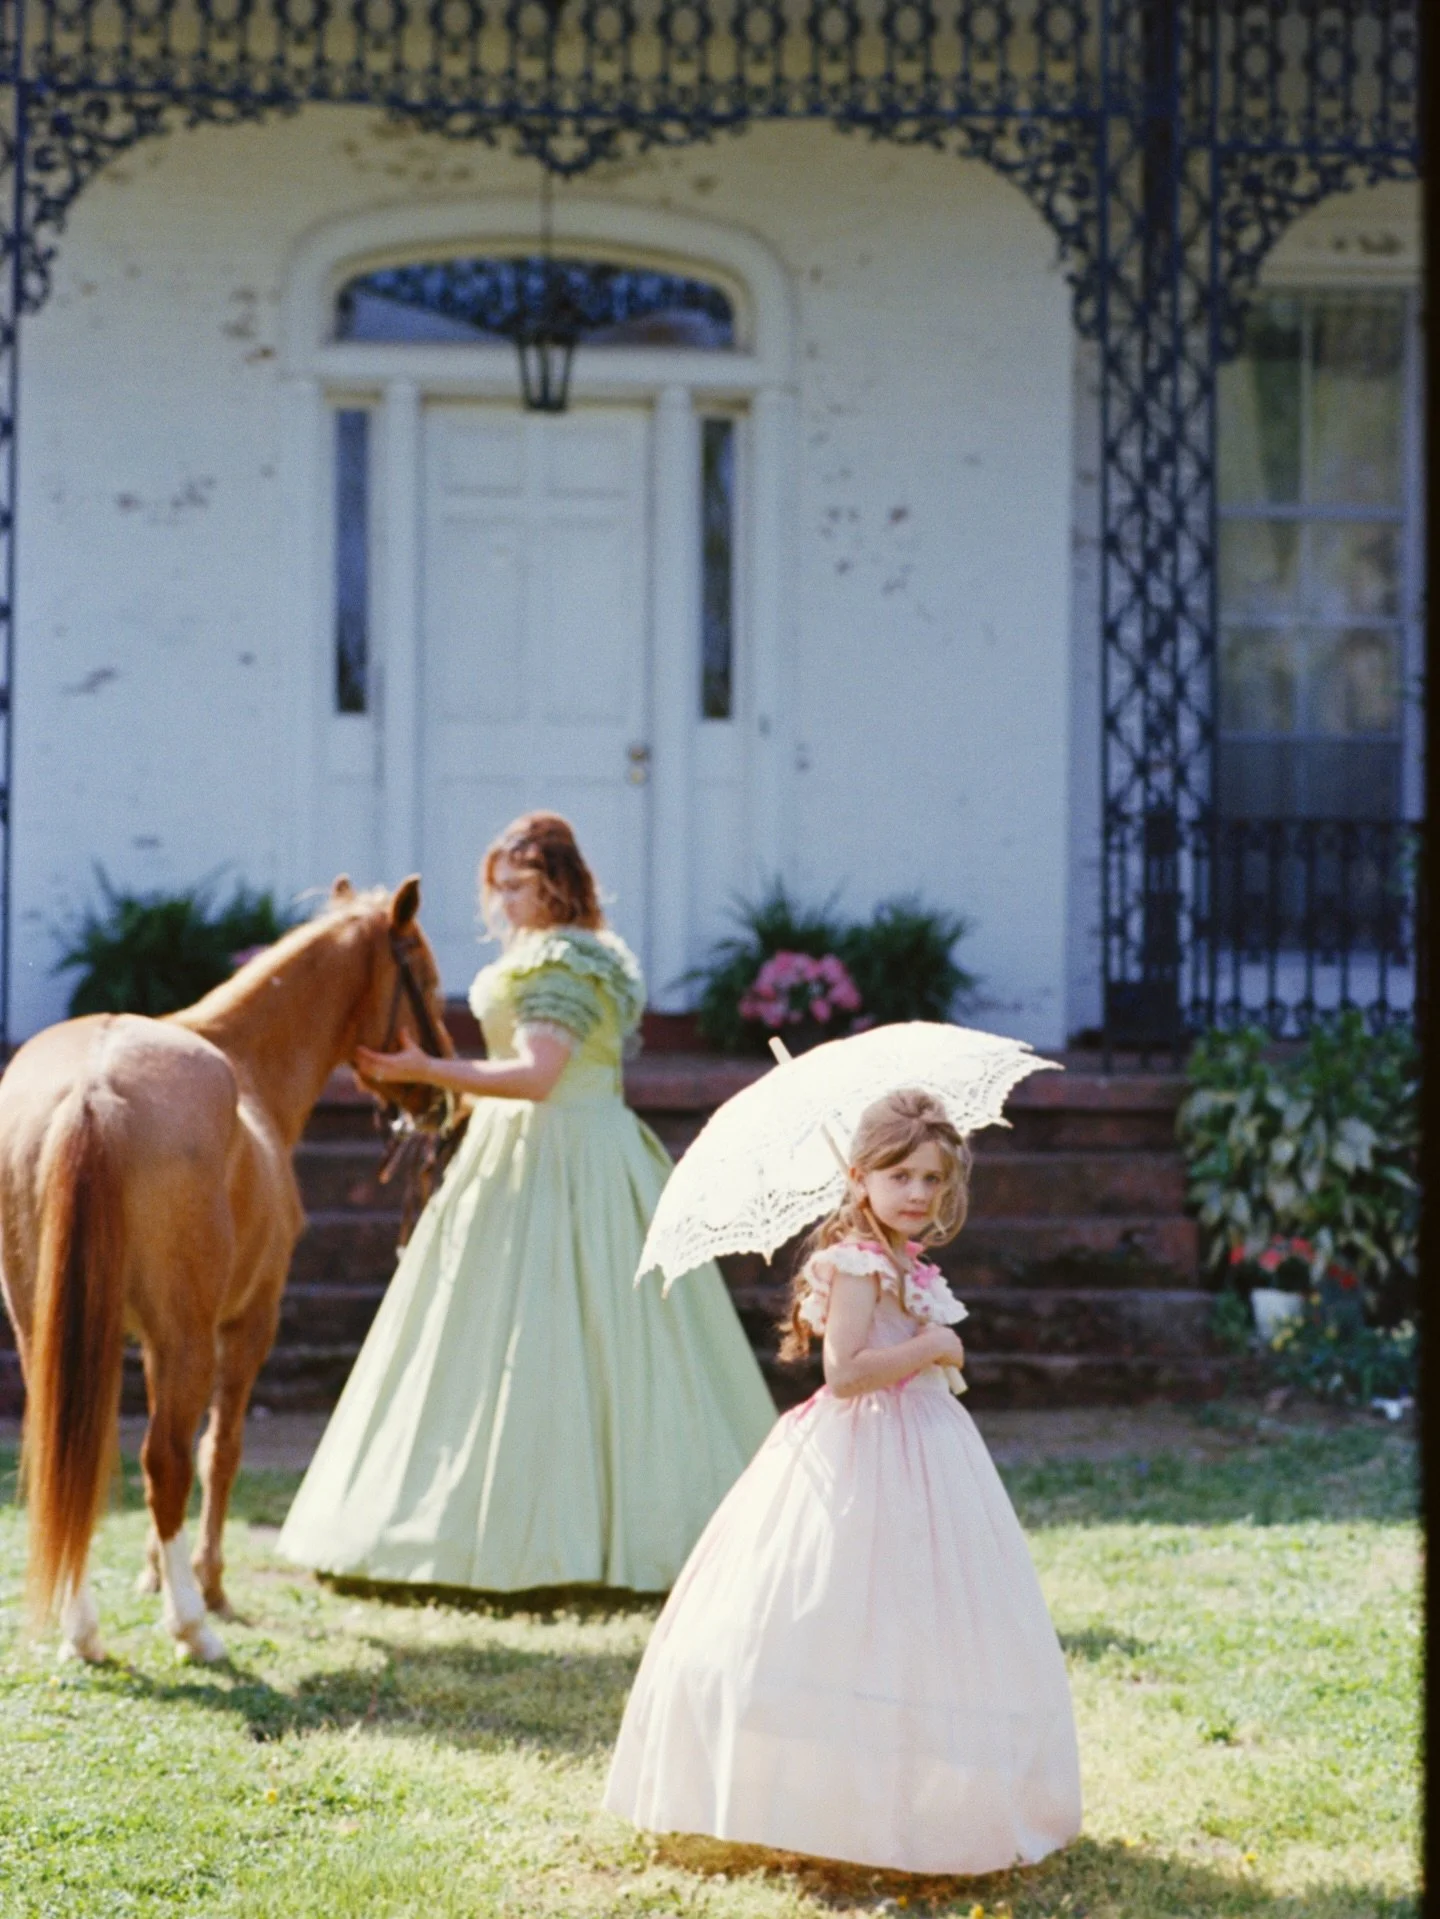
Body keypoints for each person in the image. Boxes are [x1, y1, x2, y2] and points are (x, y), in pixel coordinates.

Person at [277, 812, 775, 1594]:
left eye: (521, 884)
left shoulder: (566, 960)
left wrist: (429, 1068)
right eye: (498, 886)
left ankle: (574, 1539)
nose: (505, 900)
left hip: (565, 1156)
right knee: (502, 1341)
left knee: (567, 1338)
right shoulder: (568, 954)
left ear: (557, 884)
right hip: (539, 1148)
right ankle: (475, 1527)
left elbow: (540, 1076)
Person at [603, 1089, 1082, 1875]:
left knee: (917, 1614)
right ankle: (814, 1795)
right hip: (865, 1448)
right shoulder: (855, 1262)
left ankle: (904, 1792)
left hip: (927, 1449)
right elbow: (848, 1370)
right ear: (859, 1178)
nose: (919, 1194)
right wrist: (933, 1343)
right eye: (900, 1177)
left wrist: (929, 1337)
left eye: (932, 1179)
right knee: (842, 1608)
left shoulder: (905, 1260)